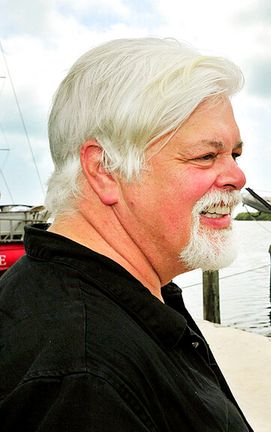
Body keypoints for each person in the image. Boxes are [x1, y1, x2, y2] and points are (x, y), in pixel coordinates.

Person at [0, 38, 253, 431]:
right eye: (206, 155)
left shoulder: (123, 297)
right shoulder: (83, 380)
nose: (238, 176)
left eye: (234, 154)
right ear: (105, 169)